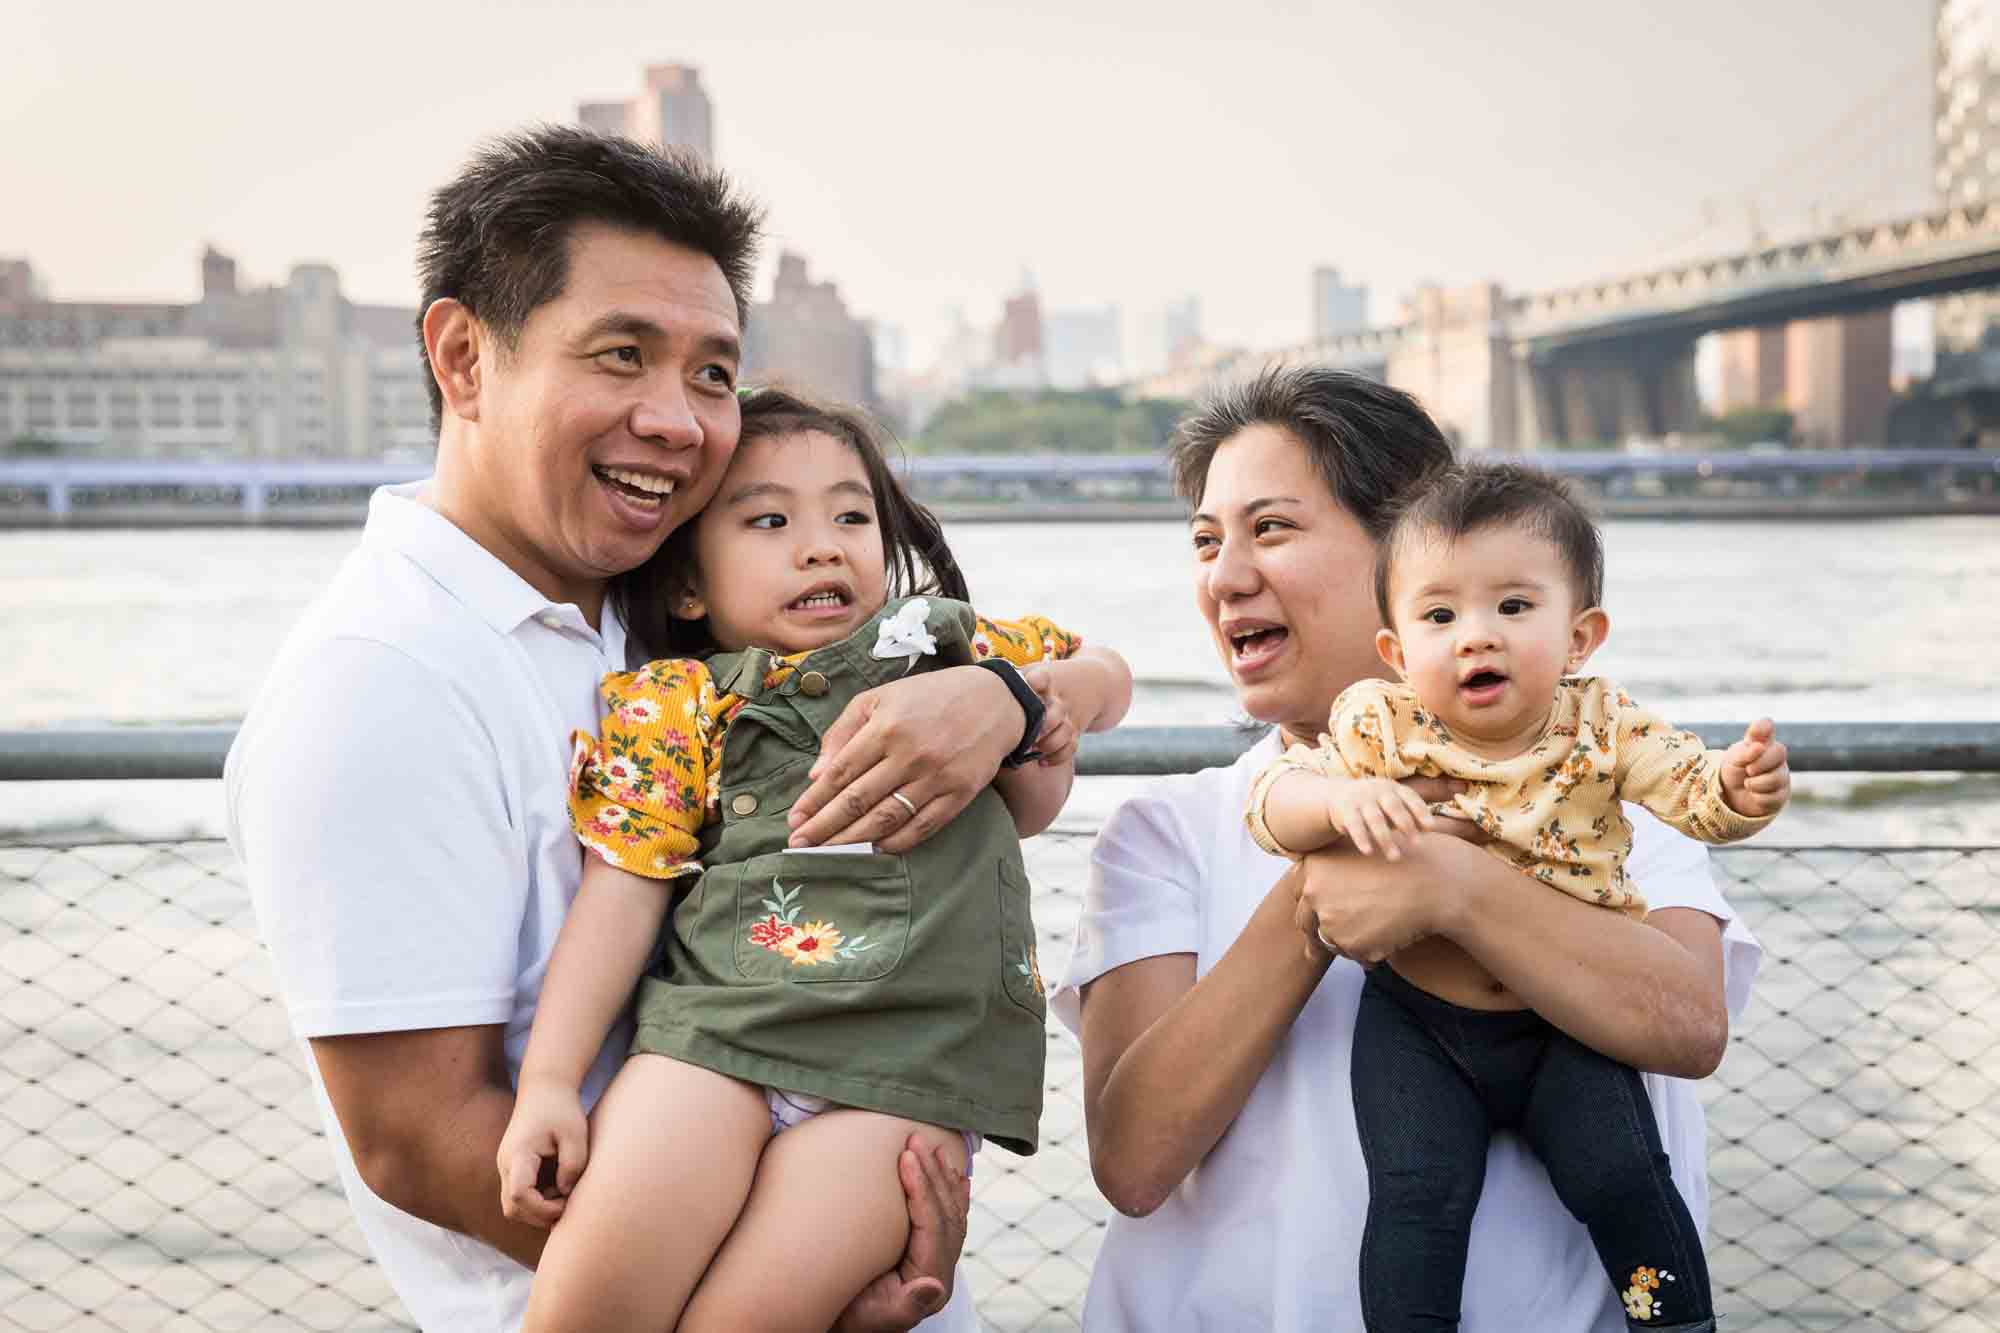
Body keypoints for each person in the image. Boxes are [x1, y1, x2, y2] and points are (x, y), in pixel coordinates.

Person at [226, 127, 1043, 1332]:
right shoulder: (379, 681)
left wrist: (1006, 699)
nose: (676, 420)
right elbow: (416, 1135)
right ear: (463, 358)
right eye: (620, 355)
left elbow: (1043, 671)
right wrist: (786, 1295)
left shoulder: (653, 614)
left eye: (712, 372)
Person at [1051, 367, 1764, 1332]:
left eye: (1271, 529)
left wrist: (1454, 885)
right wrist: (1320, 894)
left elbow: (1690, 1024)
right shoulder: (1167, 829)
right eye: (1207, 542)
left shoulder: (1599, 784)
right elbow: (1132, 1163)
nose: (1223, 576)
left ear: (1409, 539)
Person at [495, 388, 1132, 1331]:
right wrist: (549, 1081)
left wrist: (1033, 698)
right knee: (587, 1306)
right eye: (769, 520)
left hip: (906, 1073)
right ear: (688, 585)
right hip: (716, 1041)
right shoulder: (676, 703)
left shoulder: (948, 650)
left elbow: (1107, 676)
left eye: (850, 514)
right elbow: (622, 891)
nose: (822, 544)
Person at [1246, 461, 1791, 1332]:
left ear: (1580, 636)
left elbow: (1688, 789)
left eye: (1513, 606)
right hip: (1418, 1023)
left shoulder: (1604, 725)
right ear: (1395, 648)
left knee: (1625, 1178)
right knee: (1415, 1204)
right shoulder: (1379, 724)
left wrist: (1737, 783)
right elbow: (1270, 803)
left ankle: (1677, 1321)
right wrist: (1337, 799)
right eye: (1439, 615)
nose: (1475, 637)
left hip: (1563, 1023)